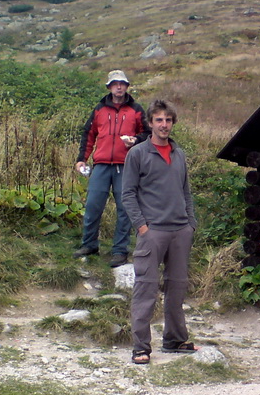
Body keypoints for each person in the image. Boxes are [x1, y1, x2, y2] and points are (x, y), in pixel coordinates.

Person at [122, 99, 197, 364]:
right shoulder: (138, 153)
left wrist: (190, 224)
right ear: (150, 123)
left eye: (168, 120)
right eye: (159, 120)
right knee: (146, 288)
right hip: (152, 231)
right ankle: (140, 347)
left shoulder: (180, 154)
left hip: (180, 231)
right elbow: (127, 193)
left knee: (177, 288)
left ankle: (175, 339)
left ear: (173, 123)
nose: (164, 125)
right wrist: (142, 226)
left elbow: (185, 191)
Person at [74, 69, 148, 267]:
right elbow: (88, 134)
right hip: (101, 165)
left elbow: (148, 133)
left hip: (126, 166)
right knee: (92, 205)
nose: (118, 87)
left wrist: (136, 140)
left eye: (122, 83)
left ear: (126, 86)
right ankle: (89, 245)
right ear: (109, 87)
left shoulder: (136, 109)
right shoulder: (99, 109)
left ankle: (120, 251)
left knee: (125, 209)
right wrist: (82, 159)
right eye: (115, 83)